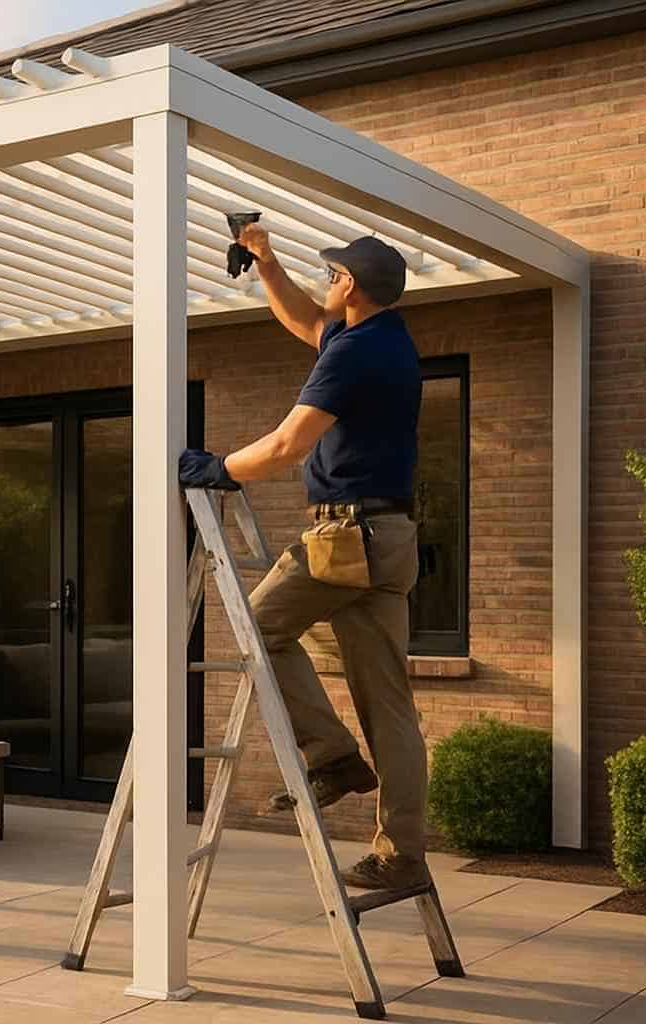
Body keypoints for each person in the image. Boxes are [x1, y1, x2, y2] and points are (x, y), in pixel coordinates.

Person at [179, 223, 428, 891]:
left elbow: (289, 445)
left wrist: (220, 466)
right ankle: (402, 854)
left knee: (257, 627)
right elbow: (303, 321)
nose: (325, 284)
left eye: (332, 276)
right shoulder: (381, 338)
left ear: (349, 286)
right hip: (389, 537)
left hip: (350, 535)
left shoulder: (353, 355)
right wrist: (266, 261)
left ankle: (331, 755)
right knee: (389, 704)